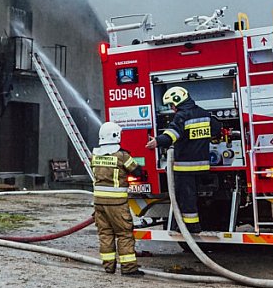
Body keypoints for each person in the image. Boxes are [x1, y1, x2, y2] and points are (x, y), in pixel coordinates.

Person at [145, 86, 220, 234]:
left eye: (171, 105)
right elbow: (216, 129)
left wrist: (157, 142)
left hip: (184, 167)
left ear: (177, 103)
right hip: (203, 166)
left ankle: (189, 228)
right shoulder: (204, 114)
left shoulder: (182, 116)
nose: (171, 109)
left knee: (185, 200)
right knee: (194, 198)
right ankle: (184, 226)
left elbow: (172, 135)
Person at [92, 121, 144, 276]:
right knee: (124, 233)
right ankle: (129, 268)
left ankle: (109, 267)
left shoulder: (94, 155)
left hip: (99, 202)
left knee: (105, 233)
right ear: (116, 136)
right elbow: (137, 171)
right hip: (117, 203)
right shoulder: (122, 155)